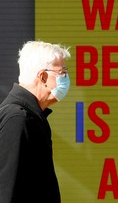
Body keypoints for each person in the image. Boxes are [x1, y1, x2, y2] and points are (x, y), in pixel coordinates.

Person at [0, 41, 71, 203]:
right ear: (43, 76)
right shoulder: (18, 120)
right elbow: (6, 191)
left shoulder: (30, 117)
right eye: (62, 72)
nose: (66, 78)